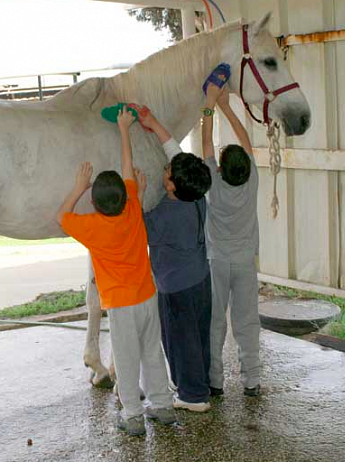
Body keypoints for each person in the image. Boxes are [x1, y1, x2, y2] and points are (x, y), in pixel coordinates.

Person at [56, 106, 175, 436]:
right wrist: (124, 129)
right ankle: (163, 406)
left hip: (121, 305)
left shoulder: (92, 227)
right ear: (127, 195)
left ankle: (133, 416)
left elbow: (61, 216)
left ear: (94, 204)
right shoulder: (133, 207)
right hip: (147, 296)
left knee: (125, 358)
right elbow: (127, 168)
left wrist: (79, 185)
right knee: (153, 351)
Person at [136, 109, 214, 413]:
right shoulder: (196, 195)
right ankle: (196, 385)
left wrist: (139, 193)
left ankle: (193, 397)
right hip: (200, 281)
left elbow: (140, 228)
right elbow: (181, 160)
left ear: (170, 186)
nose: (165, 167)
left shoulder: (166, 215)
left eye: (167, 171)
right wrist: (155, 124)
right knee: (198, 337)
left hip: (176, 288)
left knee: (180, 341)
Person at [201, 76, 261, 397]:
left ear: (220, 167)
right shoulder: (252, 181)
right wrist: (226, 105)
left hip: (217, 261)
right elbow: (245, 138)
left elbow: (206, 144)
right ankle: (251, 380)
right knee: (247, 322)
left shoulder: (213, 181)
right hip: (245, 261)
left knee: (215, 323)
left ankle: (215, 381)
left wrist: (210, 105)